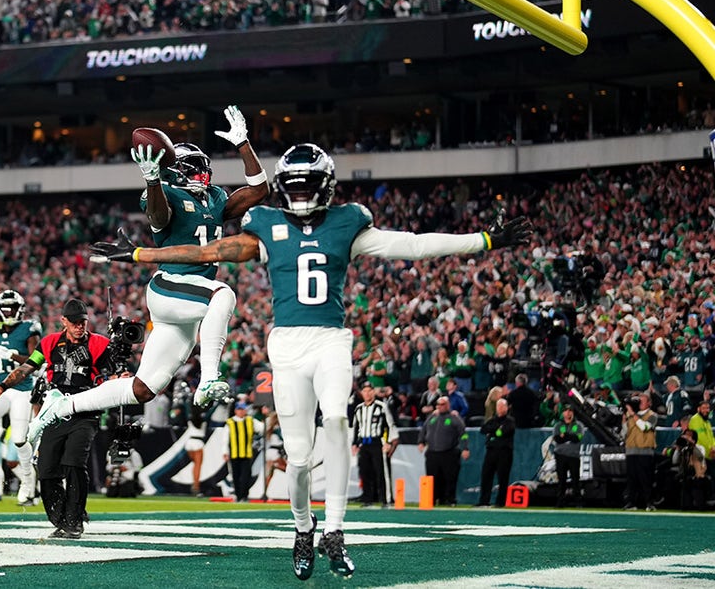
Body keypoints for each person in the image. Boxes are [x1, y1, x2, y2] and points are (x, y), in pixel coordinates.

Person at [88, 143, 530, 580]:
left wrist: (484, 239)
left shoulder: (348, 222)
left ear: (327, 186)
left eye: (307, 187)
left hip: (332, 340)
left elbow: (411, 245)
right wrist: (142, 255)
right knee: (297, 458)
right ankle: (304, 529)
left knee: (337, 419)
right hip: (287, 345)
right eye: (293, 188)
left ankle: (335, 531)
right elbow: (208, 253)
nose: (300, 197)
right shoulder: (267, 224)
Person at [28, 107, 269, 444]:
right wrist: (153, 178)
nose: (202, 174)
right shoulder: (165, 192)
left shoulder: (214, 199)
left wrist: (243, 144)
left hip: (187, 301)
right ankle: (210, 377)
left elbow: (259, 191)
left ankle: (61, 405)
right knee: (223, 294)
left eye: (203, 169)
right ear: (174, 172)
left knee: (144, 388)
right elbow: (158, 215)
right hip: (171, 286)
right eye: (193, 168)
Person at [0, 298, 120, 539]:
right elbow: (27, 367)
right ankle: (62, 519)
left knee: (74, 463)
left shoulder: (100, 343)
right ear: (64, 321)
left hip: (85, 411)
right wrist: (2, 386)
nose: (80, 327)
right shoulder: (49, 343)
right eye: (75, 322)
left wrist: (120, 373)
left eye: (84, 322)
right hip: (55, 413)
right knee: (47, 469)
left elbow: (115, 371)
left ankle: (75, 520)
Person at [0, 289, 42, 506]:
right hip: (0, 387)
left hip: (21, 389)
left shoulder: (29, 328)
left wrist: (12, 355)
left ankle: (28, 482)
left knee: (19, 439)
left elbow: (35, 361)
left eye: (12, 307)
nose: (9, 311)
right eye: (6, 308)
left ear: (19, 309)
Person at [351, 381, 399, 507]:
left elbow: (389, 424)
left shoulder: (381, 406)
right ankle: (368, 499)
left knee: (381, 472)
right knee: (365, 472)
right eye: (364, 391)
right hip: (364, 443)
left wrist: (388, 442)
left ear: (373, 392)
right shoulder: (359, 408)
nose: (367, 393)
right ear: (362, 393)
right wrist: (355, 443)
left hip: (377, 442)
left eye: (369, 391)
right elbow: (356, 427)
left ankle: (386, 499)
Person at [418, 397, 470, 507]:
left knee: (449, 478)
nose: (439, 406)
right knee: (432, 477)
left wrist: (465, 448)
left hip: (449, 452)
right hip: (433, 452)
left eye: (442, 404)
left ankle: (450, 499)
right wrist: (421, 442)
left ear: (448, 405)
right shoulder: (432, 417)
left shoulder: (454, 418)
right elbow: (424, 429)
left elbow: (463, 434)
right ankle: (432, 499)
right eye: (438, 404)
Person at [477, 398, 516, 506]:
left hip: (504, 452)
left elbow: (503, 432)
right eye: (498, 406)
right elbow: (483, 429)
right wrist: (495, 429)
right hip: (491, 451)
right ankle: (484, 501)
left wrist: (493, 431)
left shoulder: (510, 421)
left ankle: (500, 502)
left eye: (502, 406)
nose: (500, 408)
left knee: (503, 478)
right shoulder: (492, 420)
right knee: (486, 476)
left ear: (506, 408)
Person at [623, 391, 658, 511]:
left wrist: (632, 414)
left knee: (646, 479)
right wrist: (625, 419)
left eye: (642, 401)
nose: (640, 403)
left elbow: (645, 427)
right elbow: (624, 433)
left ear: (649, 403)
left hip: (645, 451)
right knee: (632, 479)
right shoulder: (630, 415)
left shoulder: (653, 415)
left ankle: (649, 503)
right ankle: (631, 502)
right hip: (631, 450)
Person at [224, 401, 257, 503]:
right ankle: (238, 496)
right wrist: (225, 452)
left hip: (246, 453)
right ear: (235, 411)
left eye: (243, 409)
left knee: (246, 476)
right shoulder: (230, 422)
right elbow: (225, 439)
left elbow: (262, 428)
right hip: (234, 453)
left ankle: (244, 496)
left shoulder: (250, 421)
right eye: (239, 409)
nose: (241, 412)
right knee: (236, 476)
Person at [552, 406, 584, 507]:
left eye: (570, 411)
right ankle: (560, 501)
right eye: (566, 411)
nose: (568, 413)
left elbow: (577, 438)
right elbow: (557, 439)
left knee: (575, 479)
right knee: (562, 479)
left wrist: (565, 435)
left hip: (573, 456)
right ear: (563, 413)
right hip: (560, 455)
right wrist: (570, 436)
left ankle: (578, 501)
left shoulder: (578, 425)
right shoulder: (558, 425)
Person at [183, 403, 208, 496]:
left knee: (194, 465)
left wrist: (185, 403)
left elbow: (186, 410)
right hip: (198, 443)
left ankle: (195, 484)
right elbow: (210, 412)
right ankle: (196, 487)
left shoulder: (190, 419)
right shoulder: (203, 420)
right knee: (197, 466)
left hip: (189, 443)